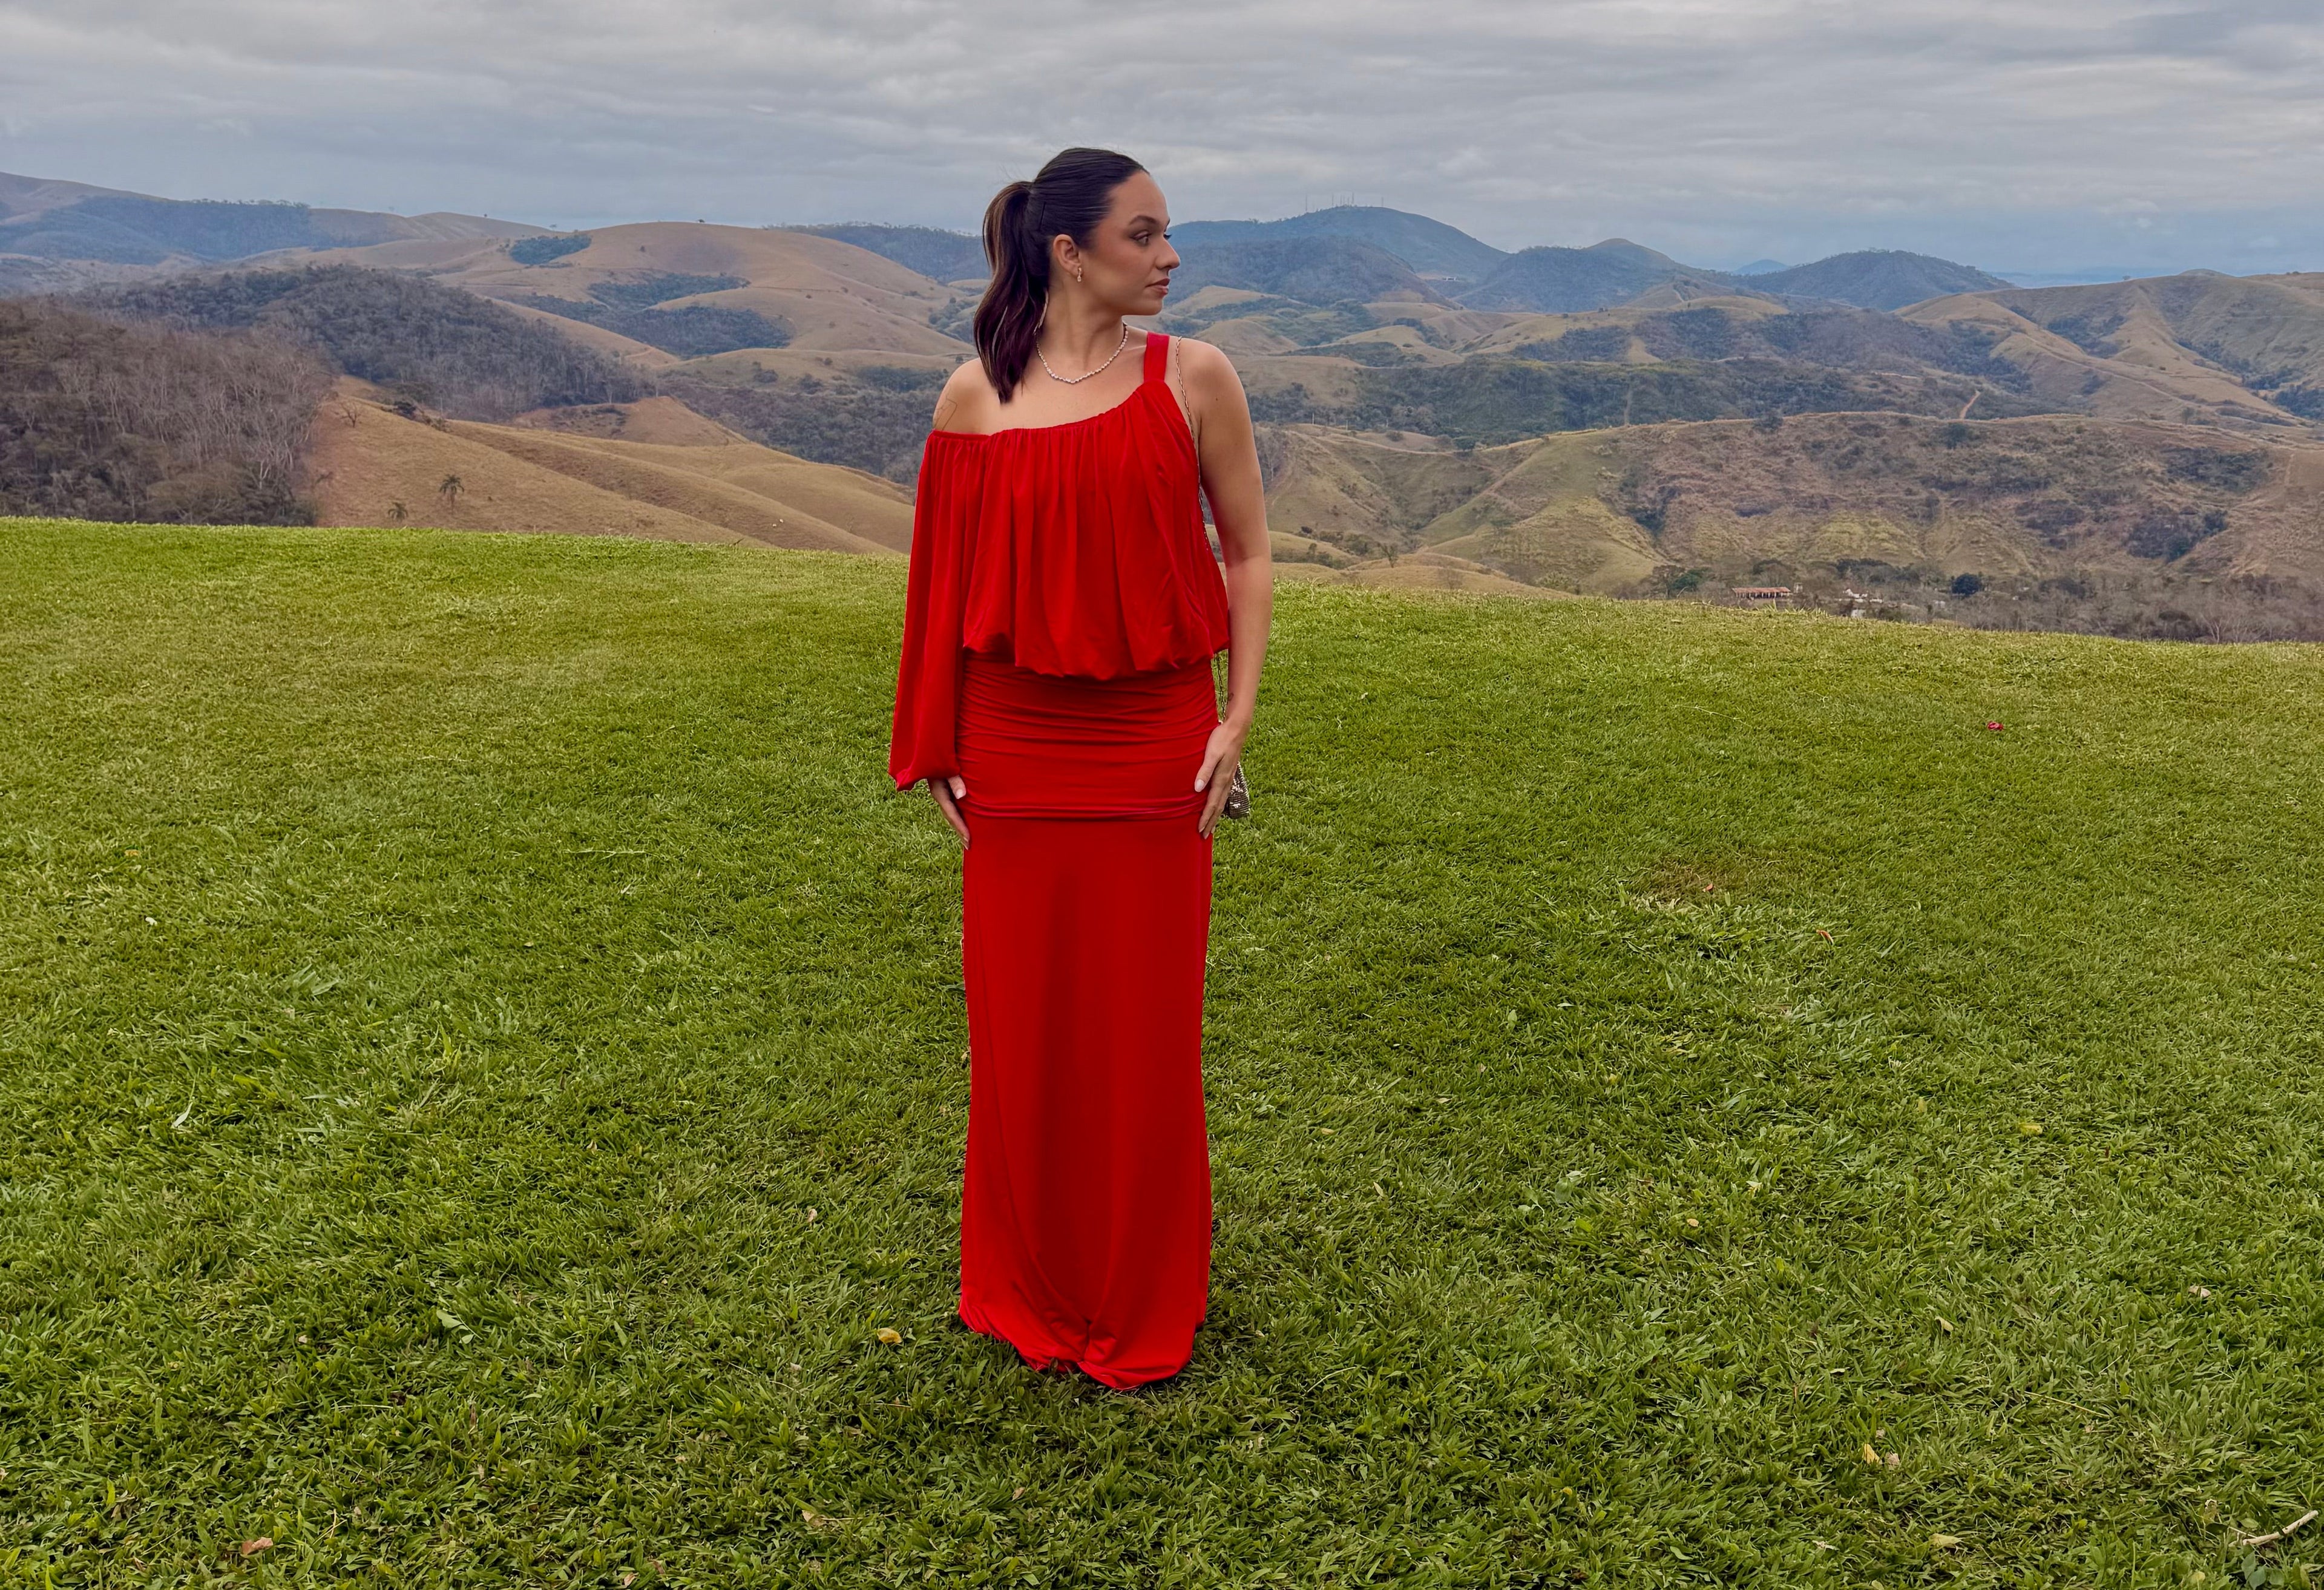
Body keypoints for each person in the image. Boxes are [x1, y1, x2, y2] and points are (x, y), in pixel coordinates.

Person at [888, 146, 1272, 1388]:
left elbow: (1249, 555)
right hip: (1014, 747)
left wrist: (1238, 716)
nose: (1170, 258)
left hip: (1154, 743)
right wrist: (936, 740)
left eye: (1170, 237)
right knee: (1024, 1028)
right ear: (1068, 249)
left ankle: (1139, 1288)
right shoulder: (972, 399)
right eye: (1146, 234)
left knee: (1143, 1030)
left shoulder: (1196, 377)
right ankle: (1028, 1280)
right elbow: (940, 584)